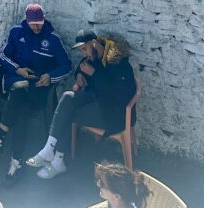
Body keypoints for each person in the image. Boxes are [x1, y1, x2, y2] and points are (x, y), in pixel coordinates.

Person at [0, 3, 72, 185]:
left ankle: (1, 140)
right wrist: (17, 69)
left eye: (39, 23)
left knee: (21, 111)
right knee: (19, 89)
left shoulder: (53, 39)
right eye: (33, 24)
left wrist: (50, 76)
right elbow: (2, 55)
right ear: (27, 21)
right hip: (18, 81)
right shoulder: (17, 33)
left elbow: (67, 66)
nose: (36, 27)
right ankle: (16, 162)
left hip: (38, 87)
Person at [27, 29, 136, 180]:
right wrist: (79, 75)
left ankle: (57, 161)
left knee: (68, 113)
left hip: (115, 113)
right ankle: (49, 149)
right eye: (81, 50)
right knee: (67, 97)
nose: (84, 53)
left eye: (84, 49)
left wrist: (94, 74)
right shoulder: (96, 55)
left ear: (94, 43)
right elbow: (81, 66)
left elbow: (118, 96)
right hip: (98, 103)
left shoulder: (119, 62)